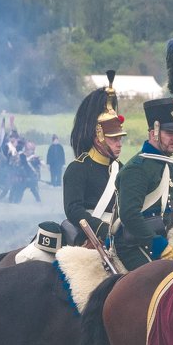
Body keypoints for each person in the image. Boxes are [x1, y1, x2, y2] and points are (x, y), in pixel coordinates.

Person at [114, 38, 173, 270]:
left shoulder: (170, 168)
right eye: (169, 133)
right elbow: (129, 215)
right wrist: (159, 246)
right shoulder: (137, 168)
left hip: (158, 241)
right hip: (133, 246)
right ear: (154, 131)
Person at [62, 71, 126, 246]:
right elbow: (74, 210)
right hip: (88, 236)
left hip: (119, 234)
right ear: (98, 137)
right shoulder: (78, 168)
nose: (119, 144)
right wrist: (103, 230)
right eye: (114, 139)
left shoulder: (121, 168)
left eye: (120, 138)